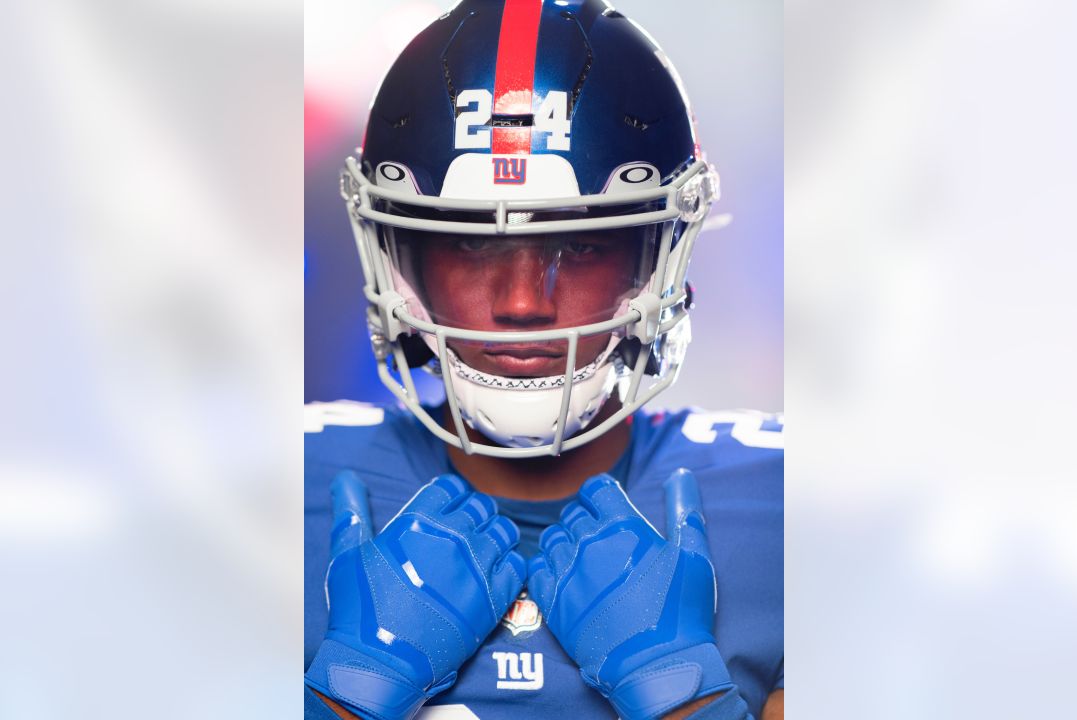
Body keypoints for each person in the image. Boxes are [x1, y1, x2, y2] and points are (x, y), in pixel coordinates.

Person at [304, 1, 782, 718]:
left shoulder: (784, 505)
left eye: (581, 245)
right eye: (469, 242)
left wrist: (683, 692)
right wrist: (350, 692)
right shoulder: (264, 491)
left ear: (656, 257)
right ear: (399, 259)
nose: (522, 301)